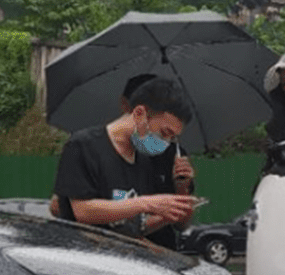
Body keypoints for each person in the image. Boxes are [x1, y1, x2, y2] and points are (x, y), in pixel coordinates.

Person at [50, 74, 196, 248]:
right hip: (83, 260)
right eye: (164, 133)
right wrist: (147, 203)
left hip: (122, 263)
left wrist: (167, 212)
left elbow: (130, 227)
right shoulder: (83, 145)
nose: (166, 142)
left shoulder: (144, 158)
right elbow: (83, 211)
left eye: (172, 137)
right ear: (140, 113)